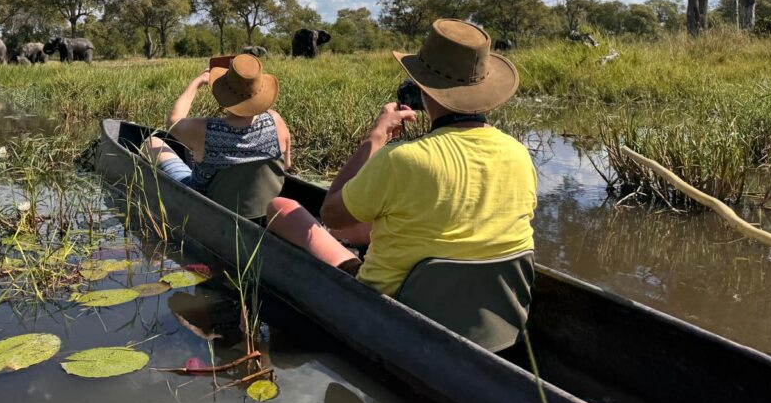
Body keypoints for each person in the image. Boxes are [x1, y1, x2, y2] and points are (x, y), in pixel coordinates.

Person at [266, 18, 537, 296]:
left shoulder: (402, 159)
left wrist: (375, 137)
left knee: (282, 207)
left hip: (396, 305)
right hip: (496, 314)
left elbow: (331, 214)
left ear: (423, 86)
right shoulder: (519, 154)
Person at [145, 53, 292, 191]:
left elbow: (172, 122)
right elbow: (286, 166)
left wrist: (198, 81)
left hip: (205, 197)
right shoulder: (276, 120)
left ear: (223, 92)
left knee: (152, 142)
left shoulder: (205, 130)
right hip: (263, 205)